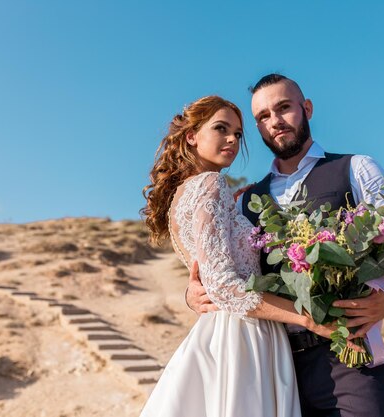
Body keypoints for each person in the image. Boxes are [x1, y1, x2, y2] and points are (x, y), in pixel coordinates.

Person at [185, 75, 384, 417]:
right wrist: (192, 294)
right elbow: (225, 274)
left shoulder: (355, 169)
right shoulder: (247, 201)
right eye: (263, 117)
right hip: (274, 369)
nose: (275, 121)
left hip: (350, 361)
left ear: (306, 108)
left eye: (283, 108)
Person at [140, 95, 347, 417]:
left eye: (237, 133)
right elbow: (223, 286)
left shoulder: (186, 192)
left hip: (220, 332)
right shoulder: (211, 184)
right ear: (191, 136)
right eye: (221, 128)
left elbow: (210, 270)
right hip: (246, 336)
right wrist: (309, 318)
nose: (232, 140)